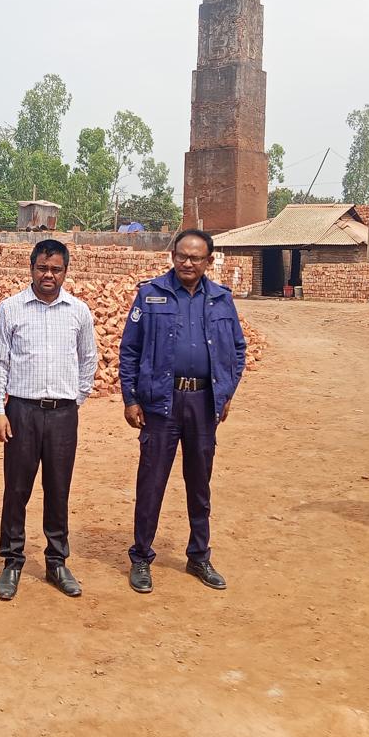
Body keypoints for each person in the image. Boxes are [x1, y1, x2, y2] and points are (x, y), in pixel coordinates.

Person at [119, 229, 247, 594]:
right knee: (151, 482)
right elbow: (129, 350)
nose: (187, 263)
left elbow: (238, 350)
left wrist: (225, 392)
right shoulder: (151, 294)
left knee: (199, 483)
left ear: (209, 261)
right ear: (172, 255)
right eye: (182, 256)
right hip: (161, 403)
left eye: (196, 258)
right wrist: (130, 398)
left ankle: (199, 555)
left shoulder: (221, 299)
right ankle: (141, 556)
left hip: (203, 404)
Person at [0, 239, 98, 601]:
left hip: (63, 414)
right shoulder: (12, 308)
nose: (48, 275)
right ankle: (12, 560)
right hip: (21, 411)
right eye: (42, 268)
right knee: (16, 489)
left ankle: (56, 560)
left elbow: (88, 360)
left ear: (66, 271)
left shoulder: (78, 312)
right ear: (31, 268)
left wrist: (76, 399)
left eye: (56, 269)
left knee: (58, 488)